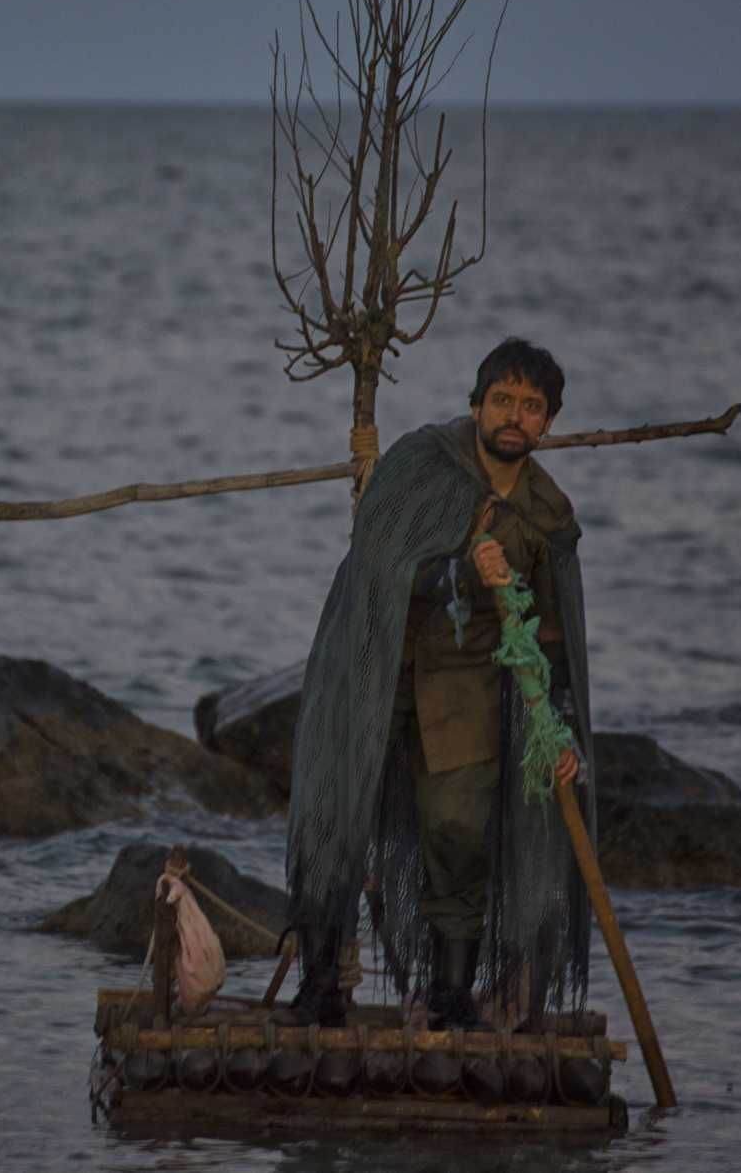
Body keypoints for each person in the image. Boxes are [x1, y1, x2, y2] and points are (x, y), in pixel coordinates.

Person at [277, 337, 597, 1031]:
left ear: (548, 425)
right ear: (477, 405)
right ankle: (321, 987)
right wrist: (455, 567)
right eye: (503, 400)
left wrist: (559, 729)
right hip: (375, 665)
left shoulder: (547, 515)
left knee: (459, 833)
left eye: (532, 407)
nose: (515, 416)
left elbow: (552, 640)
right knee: (336, 814)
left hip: (466, 693)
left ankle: (453, 998)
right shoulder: (420, 465)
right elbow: (375, 561)